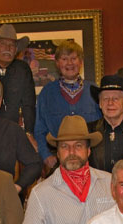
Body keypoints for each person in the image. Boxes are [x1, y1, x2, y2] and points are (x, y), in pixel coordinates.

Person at [34, 41, 102, 171]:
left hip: (92, 162)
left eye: (73, 58)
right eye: (64, 59)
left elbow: (102, 127)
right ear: (58, 63)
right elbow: (39, 129)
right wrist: (46, 155)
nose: (69, 63)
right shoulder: (47, 93)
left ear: (80, 62)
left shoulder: (94, 90)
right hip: (58, 162)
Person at [87, 75, 123, 172]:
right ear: (100, 104)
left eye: (115, 99)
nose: (110, 103)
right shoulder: (88, 132)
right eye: (105, 99)